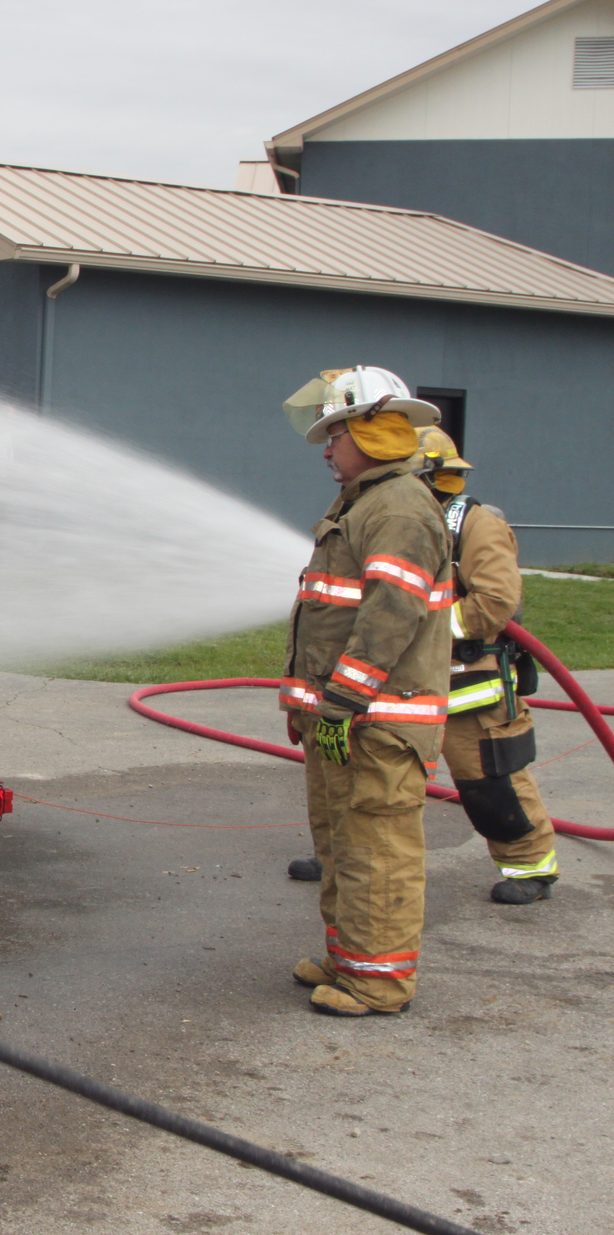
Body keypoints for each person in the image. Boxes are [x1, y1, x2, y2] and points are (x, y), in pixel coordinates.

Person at [279, 367, 451, 1018]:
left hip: (378, 719)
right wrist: (308, 704)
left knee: (377, 847)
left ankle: (378, 980)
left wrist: (343, 702)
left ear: (373, 432)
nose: (326, 447)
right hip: (346, 716)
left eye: (336, 433)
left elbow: (388, 617)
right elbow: (328, 614)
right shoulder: (360, 502)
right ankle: (350, 958)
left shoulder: (401, 509)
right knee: (340, 841)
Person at [419, 427, 559, 904]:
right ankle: (345, 857)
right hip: (397, 679)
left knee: (489, 781)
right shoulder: (393, 521)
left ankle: (530, 868)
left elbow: (495, 601)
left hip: (468, 680)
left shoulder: (475, 524)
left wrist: (424, 630)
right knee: (369, 774)